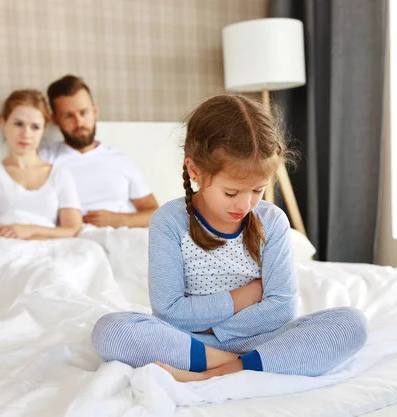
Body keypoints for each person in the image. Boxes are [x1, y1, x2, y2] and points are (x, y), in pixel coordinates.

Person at [91, 94, 368, 382]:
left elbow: (281, 311)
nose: (245, 205)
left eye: (257, 190)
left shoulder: (272, 222)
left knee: (351, 324)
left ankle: (217, 371)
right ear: (194, 170)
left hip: (262, 340)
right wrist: (243, 296)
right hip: (191, 343)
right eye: (232, 193)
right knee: (112, 331)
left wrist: (215, 327)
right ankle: (241, 365)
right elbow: (170, 313)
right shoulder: (169, 222)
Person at [0, 75, 158, 239]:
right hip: (81, 236)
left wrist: (119, 220)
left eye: (83, 112)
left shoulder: (120, 160)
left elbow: (154, 213)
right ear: (54, 120)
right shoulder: (45, 157)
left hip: (125, 235)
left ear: (94, 111)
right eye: (68, 116)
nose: (79, 122)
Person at [0, 89, 82, 240]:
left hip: (51, 249)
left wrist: (30, 231)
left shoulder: (60, 175)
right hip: (5, 247)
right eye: (18, 124)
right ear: (3, 123)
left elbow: (72, 229)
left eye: (35, 127)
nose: (26, 134)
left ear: (43, 130)